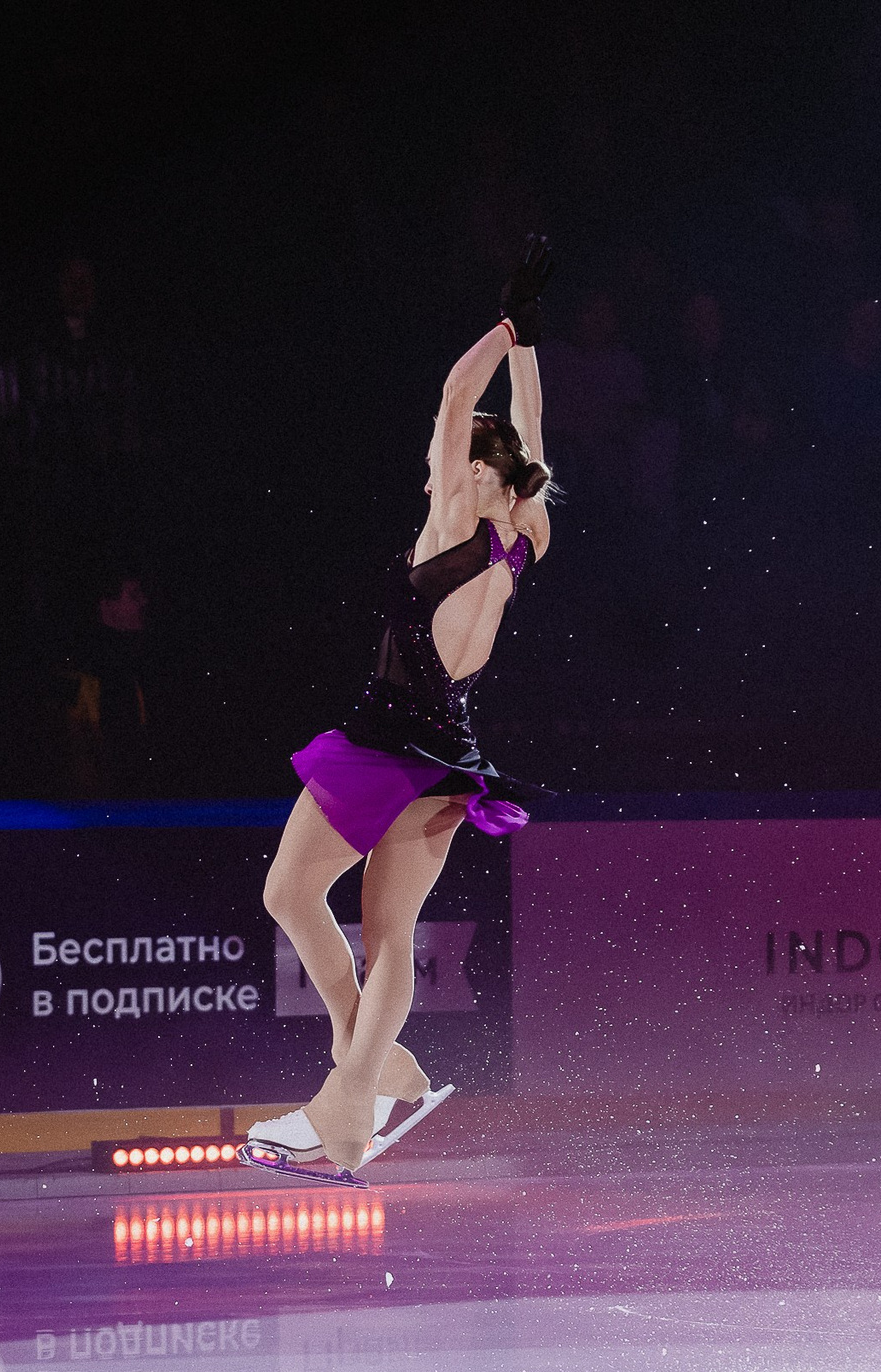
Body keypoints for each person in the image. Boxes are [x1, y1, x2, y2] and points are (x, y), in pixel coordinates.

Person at [251, 238, 558, 1174]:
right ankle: (375, 1073)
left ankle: (350, 1103)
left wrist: (508, 326)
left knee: (288, 893)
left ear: (475, 474)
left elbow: (454, 399)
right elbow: (533, 442)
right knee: (388, 937)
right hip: (450, 751)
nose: (433, 470)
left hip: (384, 737)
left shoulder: (450, 526)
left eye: (450, 462)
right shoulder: (522, 534)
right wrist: (534, 345)